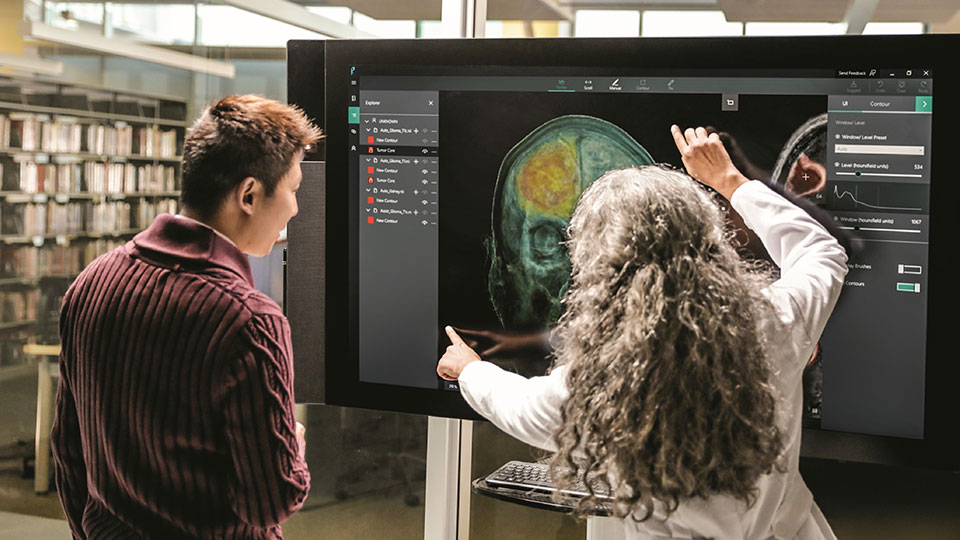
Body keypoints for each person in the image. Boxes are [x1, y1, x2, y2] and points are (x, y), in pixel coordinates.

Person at [438, 125, 848, 539]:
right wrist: (729, 181)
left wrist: (468, 370)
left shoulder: (601, 384)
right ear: (710, 241)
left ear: (599, 270)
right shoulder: (775, 321)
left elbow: (519, 406)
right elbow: (822, 254)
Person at [51, 94, 321, 539]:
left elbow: (68, 452)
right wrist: (292, 447)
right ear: (249, 195)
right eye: (293, 189)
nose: (295, 208)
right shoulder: (252, 322)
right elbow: (270, 501)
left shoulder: (91, 282)